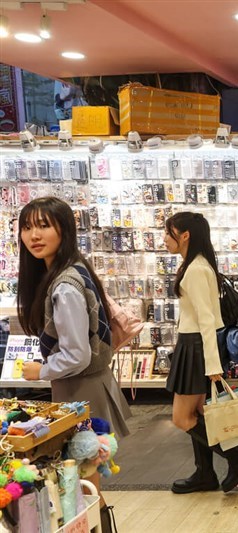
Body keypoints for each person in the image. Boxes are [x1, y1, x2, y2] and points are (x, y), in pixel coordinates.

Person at [17, 196, 131, 530]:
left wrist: (42, 371)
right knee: (84, 474)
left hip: (80, 388)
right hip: (86, 385)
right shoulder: (71, 270)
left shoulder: (64, 285)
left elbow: (77, 354)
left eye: (43, 225)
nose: (33, 235)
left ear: (63, 229)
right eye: (26, 227)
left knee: (82, 476)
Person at [163, 212, 238, 494]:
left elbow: (206, 319)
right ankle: (204, 473)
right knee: (197, 413)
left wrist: (212, 365)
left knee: (182, 418)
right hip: (197, 345)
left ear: (185, 235)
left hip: (197, 346)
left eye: (169, 233)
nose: (165, 239)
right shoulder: (198, 266)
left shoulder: (196, 270)